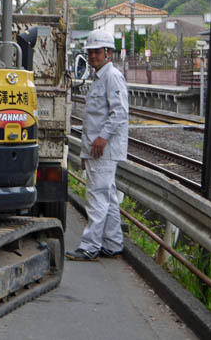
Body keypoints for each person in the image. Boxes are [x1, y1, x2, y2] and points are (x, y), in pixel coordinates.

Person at [66, 29, 128, 261]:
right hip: (97, 149)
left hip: (104, 149)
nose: (93, 56)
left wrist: (103, 137)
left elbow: (119, 112)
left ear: (108, 53)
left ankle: (90, 247)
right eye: (90, 52)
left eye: (97, 52)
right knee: (108, 197)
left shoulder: (112, 77)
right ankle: (113, 243)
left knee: (97, 198)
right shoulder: (100, 76)